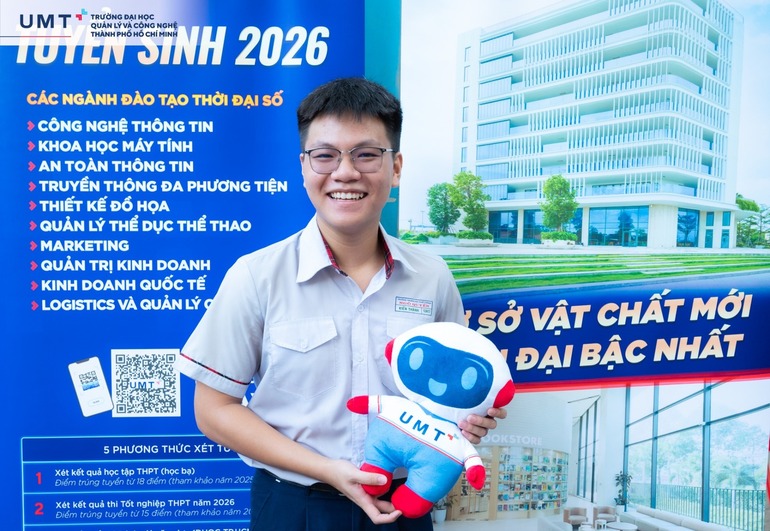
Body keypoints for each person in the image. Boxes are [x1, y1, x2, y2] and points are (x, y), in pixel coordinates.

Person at [174, 77, 507, 531]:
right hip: (294, 504)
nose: (345, 172)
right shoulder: (256, 276)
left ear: (396, 167)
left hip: (403, 507)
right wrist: (327, 470)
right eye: (325, 155)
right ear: (304, 166)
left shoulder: (432, 277)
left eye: (366, 154)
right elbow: (213, 411)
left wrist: (469, 421)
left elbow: (448, 397)